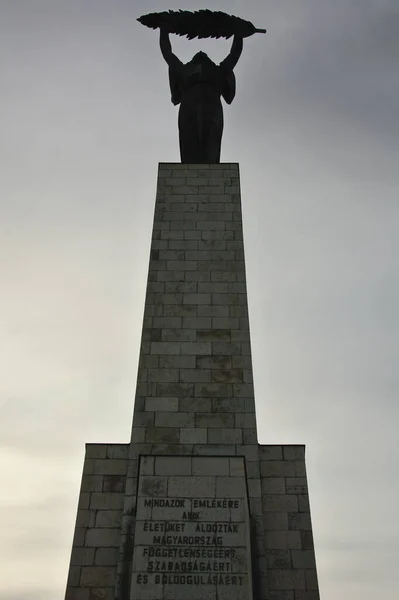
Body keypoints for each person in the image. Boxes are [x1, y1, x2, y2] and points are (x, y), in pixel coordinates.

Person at [159, 29, 243, 163]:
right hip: (189, 108)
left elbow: (234, 55)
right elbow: (167, 54)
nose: (200, 53)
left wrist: (239, 35)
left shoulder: (217, 72)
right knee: (189, 142)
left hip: (212, 109)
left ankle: (209, 171)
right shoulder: (185, 71)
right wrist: (163, 31)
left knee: (211, 143)